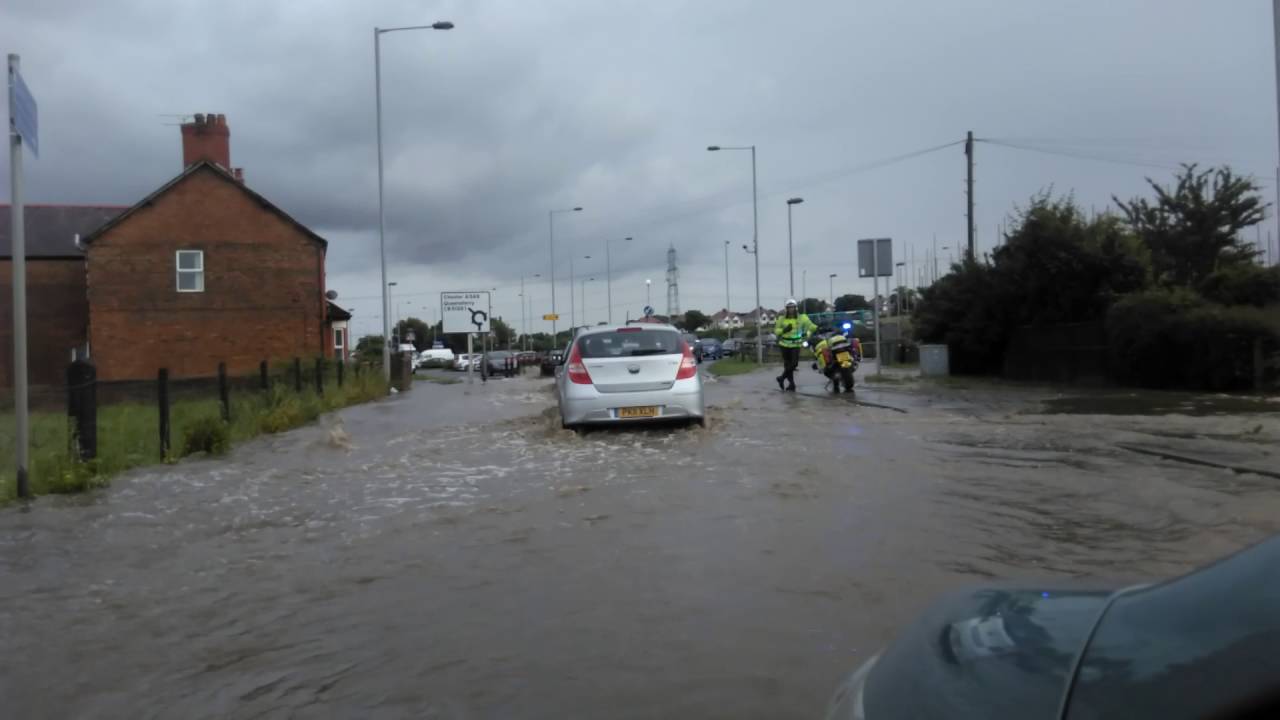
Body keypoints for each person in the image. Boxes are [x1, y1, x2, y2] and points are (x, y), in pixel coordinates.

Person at [773, 298, 817, 391]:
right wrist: (784, 330)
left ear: (796, 308)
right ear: (786, 309)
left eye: (792, 307)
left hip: (796, 344)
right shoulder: (781, 319)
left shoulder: (802, 318)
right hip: (784, 344)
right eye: (789, 308)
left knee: (794, 363)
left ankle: (781, 378)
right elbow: (776, 331)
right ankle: (791, 384)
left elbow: (812, 327)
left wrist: (808, 332)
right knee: (787, 365)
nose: (791, 309)